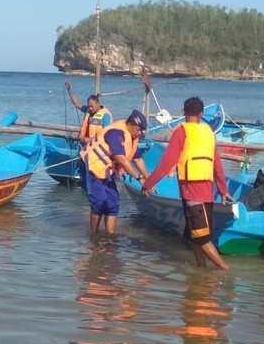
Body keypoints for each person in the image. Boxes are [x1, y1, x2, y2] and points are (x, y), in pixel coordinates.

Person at [141, 97, 233, 270]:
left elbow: (166, 163)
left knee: (202, 238)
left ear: (183, 112)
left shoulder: (181, 131)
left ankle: (224, 270)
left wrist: (148, 184)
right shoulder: (208, 131)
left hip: (192, 191)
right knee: (194, 235)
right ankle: (201, 271)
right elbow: (217, 164)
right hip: (207, 190)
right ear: (201, 114)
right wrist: (222, 189)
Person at [79, 109, 149, 234]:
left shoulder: (131, 138)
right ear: (130, 124)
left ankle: (110, 237)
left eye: (141, 131)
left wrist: (148, 179)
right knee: (99, 203)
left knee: (112, 204)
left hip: (106, 171)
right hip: (91, 167)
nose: (139, 133)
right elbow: (120, 159)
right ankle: (93, 236)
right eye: (138, 130)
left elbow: (138, 159)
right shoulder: (115, 133)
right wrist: (139, 178)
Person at [65, 80, 112, 145]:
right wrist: (69, 90)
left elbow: (106, 135)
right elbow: (77, 103)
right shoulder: (89, 111)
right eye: (89, 106)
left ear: (98, 104)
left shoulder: (105, 115)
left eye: (92, 106)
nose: (90, 108)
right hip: (86, 145)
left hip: (99, 146)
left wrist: (91, 139)